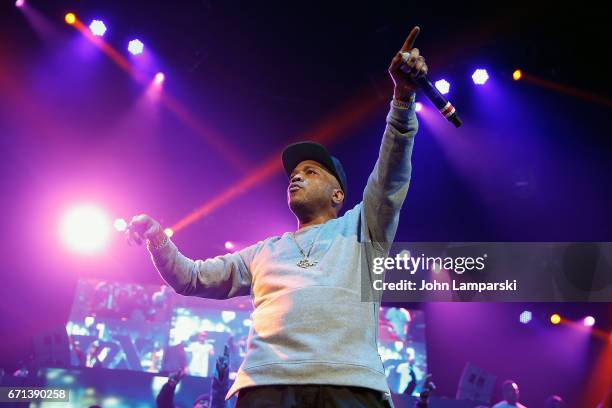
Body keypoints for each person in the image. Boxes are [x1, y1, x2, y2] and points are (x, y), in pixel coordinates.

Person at [128, 25, 427, 408]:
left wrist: (402, 100)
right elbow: (190, 278)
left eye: (311, 171)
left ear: (338, 194)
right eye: (293, 174)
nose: (297, 176)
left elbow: (389, 175)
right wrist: (157, 237)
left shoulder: (363, 228)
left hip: (349, 385)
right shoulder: (262, 253)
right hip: (266, 387)